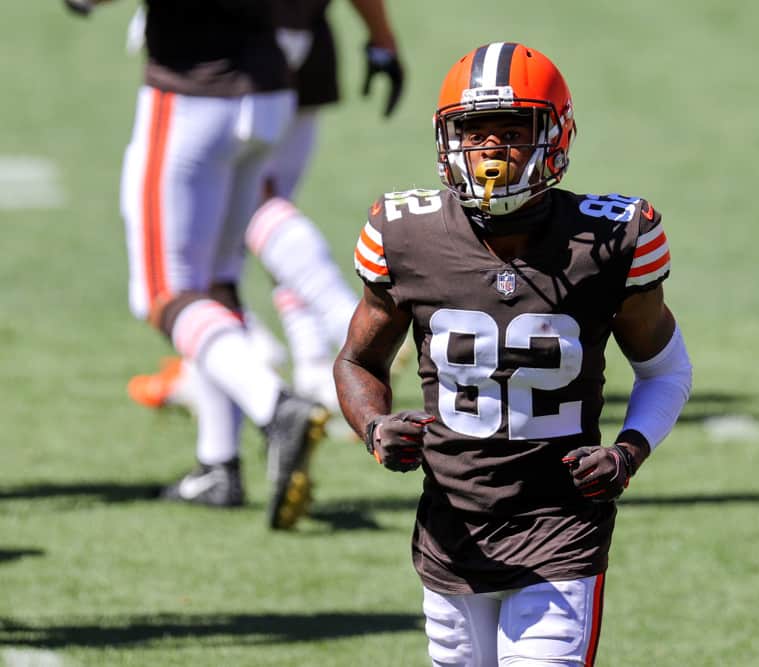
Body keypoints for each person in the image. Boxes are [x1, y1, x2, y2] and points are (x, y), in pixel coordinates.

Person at [334, 42, 693, 665]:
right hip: (453, 528)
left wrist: (628, 453)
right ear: (448, 139)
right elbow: (358, 362)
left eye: (511, 130)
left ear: (553, 136)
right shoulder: (405, 233)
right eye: (475, 133)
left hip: (561, 526)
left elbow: (665, 369)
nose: (492, 149)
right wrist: (373, 427)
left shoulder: (611, 239)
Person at [69, 0, 331, 530]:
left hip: (195, 93)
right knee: (216, 281)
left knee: (163, 293)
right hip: (270, 88)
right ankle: (218, 463)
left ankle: (274, 406)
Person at [126, 0, 404, 418]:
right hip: (289, 48)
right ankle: (311, 358)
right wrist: (382, 39)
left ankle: (344, 331)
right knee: (253, 214)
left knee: (184, 274)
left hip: (217, 61)